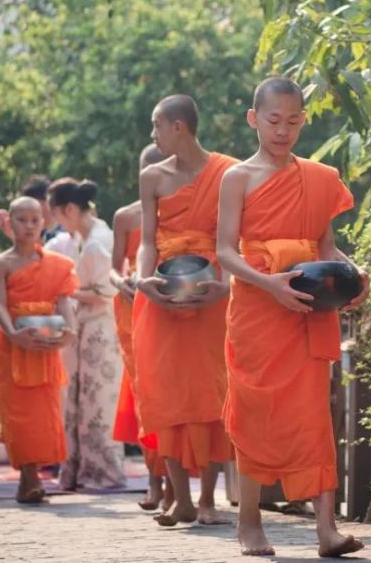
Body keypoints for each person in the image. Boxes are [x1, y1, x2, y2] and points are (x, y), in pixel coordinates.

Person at [217, 77, 368, 557]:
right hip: (259, 309)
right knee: (255, 413)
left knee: (312, 417)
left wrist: (353, 272)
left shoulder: (320, 178)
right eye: (273, 121)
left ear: (304, 120)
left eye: (293, 121)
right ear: (253, 119)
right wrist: (269, 285)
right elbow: (224, 251)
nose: (283, 131)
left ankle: (327, 530)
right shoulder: (237, 177)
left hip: (307, 310)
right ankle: (249, 523)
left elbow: (325, 247)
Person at [133, 95, 236, 526]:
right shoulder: (152, 177)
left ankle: (208, 499)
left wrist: (225, 286)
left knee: (211, 394)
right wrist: (143, 280)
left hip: (211, 294)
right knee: (165, 394)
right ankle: (180, 497)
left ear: (178, 126)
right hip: (162, 296)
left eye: (156, 125)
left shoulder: (229, 172)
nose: (153, 135)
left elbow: (236, 238)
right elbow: (147, 241)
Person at [0, 197, 78, 503]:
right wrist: (13, 334)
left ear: (44, 222)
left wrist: (70, 331)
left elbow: (63, 302)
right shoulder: (0, 263)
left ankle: (32, 478)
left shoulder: (55, 265)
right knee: (17, 414)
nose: (28, 226)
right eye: (22, 220)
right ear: (9, 223)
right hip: (14, 346)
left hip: (44, 344)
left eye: (34, 220)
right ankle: (27, 477)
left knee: (43, 413)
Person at [48, 177, 126, 490]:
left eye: (56, 215)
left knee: (98, 404)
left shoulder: (95, 241)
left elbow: (105, 292)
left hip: (101, 329)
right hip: (88, 328)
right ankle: (84, 470)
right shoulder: (88, 236)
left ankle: (104, 473)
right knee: (83, 400)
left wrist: (66, 290)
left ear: (69, 209)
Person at [109, 144, 172, 511]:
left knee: (169, 389)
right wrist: (125, 284)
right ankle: (154, 479)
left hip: (170, 304)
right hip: (132, 306)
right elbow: (115, 267)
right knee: (143, 391)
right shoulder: (126, 217)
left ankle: (174, 482)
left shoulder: (182, 212)